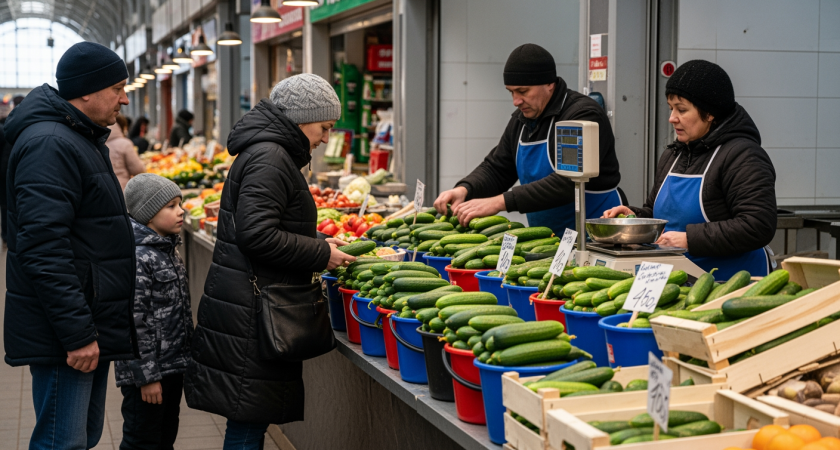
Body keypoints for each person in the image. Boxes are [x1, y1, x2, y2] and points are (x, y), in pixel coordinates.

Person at [184, 73, 355, 449]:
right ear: (301, 118)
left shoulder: (269, 152)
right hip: (253, 313)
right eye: (324, 126)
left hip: (248, 304)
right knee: (248, 424)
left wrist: (321, 239)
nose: (327, 137)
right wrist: (321, 253)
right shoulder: (271, 157)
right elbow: (257, 235)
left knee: (248, 419)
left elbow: (269, 226)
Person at [3, 42, 137, 449]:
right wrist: (77, 334)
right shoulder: (51, 144)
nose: (124, 98)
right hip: (65, 330)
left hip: (84, 316)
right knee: (63, 442)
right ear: (85, 91)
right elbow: (43, 248)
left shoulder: (79, 137)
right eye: (117, 87)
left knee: (81, 437)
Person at [603, 60, 777, 279]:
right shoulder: (673, 155)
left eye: (682, 110)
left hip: (730, 284)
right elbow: (658, 214)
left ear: (710, 113)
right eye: (671, 108)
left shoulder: (743, 156)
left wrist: (689, 239)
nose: (672, 118)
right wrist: (636, 217)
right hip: (675, 280)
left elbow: (757, 225)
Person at [434, 43, 623, 235]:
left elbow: (567, 182)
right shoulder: (522, 120)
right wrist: (465, 189)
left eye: (523, 91)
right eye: (511, 92)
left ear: (549, 84)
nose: (516, 101)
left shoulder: (582, 115)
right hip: (548, 240)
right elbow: (498, 168)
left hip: (597, 236)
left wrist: (500, 202)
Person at [116, 173, 192, 450]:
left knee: (164, 436)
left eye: (180, 203)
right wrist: (146, 377)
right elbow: (134, 322)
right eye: (170, 206)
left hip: (171, 366)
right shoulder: (138, 256)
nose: (181, 211)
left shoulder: (166, 250)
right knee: (142, 440)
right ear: (148, 214)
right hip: (147, 374)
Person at [108, 114, 146, 190]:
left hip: (106, 189)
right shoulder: (124, 143)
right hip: (122, 188)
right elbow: (138, 170)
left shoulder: (98, 143)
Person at [0, 98, 13, 244]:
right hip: (4, 175)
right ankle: (5, 234)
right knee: (6, 206)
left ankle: (5, 234)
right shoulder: (6, 132)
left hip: (3, 174)